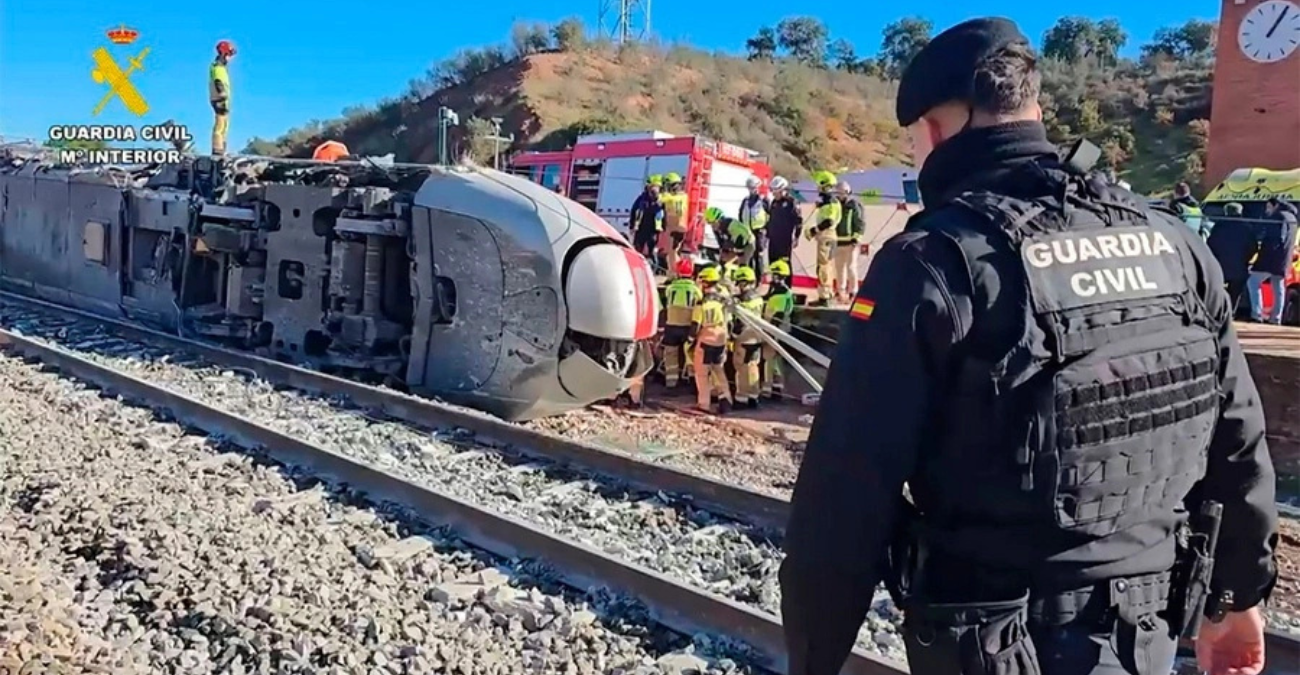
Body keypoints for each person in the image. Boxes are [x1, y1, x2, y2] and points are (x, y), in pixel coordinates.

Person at [779, 18, 1278, 675]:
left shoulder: (932, 262)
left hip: (996, 640)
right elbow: (1237, 438)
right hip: (1148, 634)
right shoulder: (1177, 247)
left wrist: (813, 657)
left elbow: (844, 498)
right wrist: (1238, 597)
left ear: (935, 130)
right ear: (1030, 108)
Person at [1248, 197, 1298, 324]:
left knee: (1252, 281)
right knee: (1278, 288)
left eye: (1268, 206)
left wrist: (1261, 257)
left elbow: (1276, 239)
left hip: (1271, 259)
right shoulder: (1292, 218)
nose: (1267, 209)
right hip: (1284, 260)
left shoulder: (1278, 217)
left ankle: (1257, 314)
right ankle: (1276, 318)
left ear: (1275, 205)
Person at [1206, 202, 1258, 319]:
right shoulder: (1247, 227)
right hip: (1239, 266)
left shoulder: (1219, 226)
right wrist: (1246, 259)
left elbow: (1210, 244)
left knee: (1217, 289)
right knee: (1235, 292)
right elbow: (1253, 247)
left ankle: (1216, 312)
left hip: (1220, 265)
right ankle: (1230, 313)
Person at [690, 266, 732, 413]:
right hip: (721, 339)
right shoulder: (723, 302)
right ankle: (726, 399)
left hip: (706, 340)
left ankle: (704, 404)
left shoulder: (701, 304)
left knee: (702, 374)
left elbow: (695, 325)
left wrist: (690, 340)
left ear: (706, 283)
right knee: (719, 370)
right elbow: (730, 322)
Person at [803, 171, 842, 307]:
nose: (817, 189)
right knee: (826, 266)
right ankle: (827, 294)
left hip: (826, 236)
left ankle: (824, 297)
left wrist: (814, 230)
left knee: (823, 267)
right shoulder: (829, 202)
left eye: (819, 186)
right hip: (828, 236)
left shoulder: (830, 202)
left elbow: (829, 221)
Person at [661, 258, 701, 388]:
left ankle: (671, 382)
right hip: (688, 327)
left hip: (671, 326)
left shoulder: (671, 288)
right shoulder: (695, 290)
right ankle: (692, 381)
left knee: (670, 353)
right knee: (690, 354)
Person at [728, 265, 764, 408]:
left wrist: (733, 335)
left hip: (743, 339)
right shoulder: (758, 298)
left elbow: (740, 323)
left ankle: (741, 399)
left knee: (741, 369)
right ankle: (754, 397)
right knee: (753, 367)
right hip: (756, 337)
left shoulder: (742, 302)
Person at [760, 259, 796, 400]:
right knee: (775, 361)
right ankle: (777, 387)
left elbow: (778, 315)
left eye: (773, 275)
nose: (771, 278)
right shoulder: (782, 291)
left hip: (775, 330)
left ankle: (768, 390)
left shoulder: (781, 294)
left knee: (769, 360)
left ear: (778, 276)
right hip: (782, 330)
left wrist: (770, 332)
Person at [831, 181, 865, 304]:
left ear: (847, 192)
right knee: (839, 269)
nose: (839, 195)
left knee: (851, 267)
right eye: (838, 192)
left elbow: (860, 223)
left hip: (851, 243)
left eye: (841, 192)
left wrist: (856, 238)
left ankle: (853, 292)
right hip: (838, 242)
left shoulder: (854, 205)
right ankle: (841, 292)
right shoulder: (835, 205)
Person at [766, 176, 802, 270]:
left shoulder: (792, 202)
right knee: (773, 262)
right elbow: (771, 219)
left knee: (784, 263)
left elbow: (798, 221)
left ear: (782, 190)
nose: (774, 194)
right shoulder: (774, 202)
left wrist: (797, 236)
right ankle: (774, 282)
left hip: (785, 239)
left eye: (776, 192)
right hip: (773, 238)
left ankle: (786, 283)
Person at [739, 176, 771, 278]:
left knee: (758, 255)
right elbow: (740, 215)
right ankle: (749, 277)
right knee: (748, 255)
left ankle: (759, 278)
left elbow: (771, 215)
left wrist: (766, 229)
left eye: (754, 187)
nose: (752, 190)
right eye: (750, 188)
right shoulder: (745, 201)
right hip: (748, 232)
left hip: (759, 232)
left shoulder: (764, 201)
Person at [705, 206, 755, 271]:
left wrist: (738, 254)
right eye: (710, 224)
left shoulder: (731, 225)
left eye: (713, 223)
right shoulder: (716, 228)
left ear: (720, 220)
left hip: (747, 242)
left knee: (743, 263)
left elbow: (740, 239)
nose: (712, 226)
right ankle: (722, 275)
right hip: (733, 241)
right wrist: (724, 254)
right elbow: (721, 243)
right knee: (722, 260)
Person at [658, 173, 689, 275]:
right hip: (675, 229)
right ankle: (674, 272)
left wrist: (663, 192)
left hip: (677, 228)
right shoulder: (681, 197)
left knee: (672, 253)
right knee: (671, 253)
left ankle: (675, 273)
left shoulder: (676, 197)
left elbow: (661, 199)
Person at [209, 40, 236, 156]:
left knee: (225, 125)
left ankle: (222, 149)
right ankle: (217, 150)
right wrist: (221, 93)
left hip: (224, 100)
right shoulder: (217, 66)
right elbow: (218, 80)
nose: (230, 58)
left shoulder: (222, 67)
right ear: (224, 53)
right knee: (220, 125)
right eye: (229, 55)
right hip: (219, 98)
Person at [631, 175, 664, 262]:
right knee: (638, 249)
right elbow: (634, 210)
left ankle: (653, 269)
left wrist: (663, 227)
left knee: (651, 251)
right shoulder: (642, 198)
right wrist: (632, 225)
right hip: (642, 227)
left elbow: (664, 215)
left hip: (653, 229)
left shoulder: (661, 200)